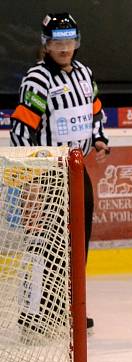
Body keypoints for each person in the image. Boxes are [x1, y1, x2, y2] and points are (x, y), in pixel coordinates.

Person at [10, 12, 109, 330]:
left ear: (77, 42)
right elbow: (22, 128)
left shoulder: (83, 73)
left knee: (78, 243)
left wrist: (100, 139)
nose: (64, 48)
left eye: (69, 41)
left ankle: (69, 307)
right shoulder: (38, 79)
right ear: (46, 45)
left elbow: (95, 110)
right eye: (57, 42)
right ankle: (36, 313)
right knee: (45, 243)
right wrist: (33, 176)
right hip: (48, 172)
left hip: (77, 168)